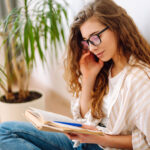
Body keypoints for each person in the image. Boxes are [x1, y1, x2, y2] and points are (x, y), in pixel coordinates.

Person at [0, 0, 150, 149]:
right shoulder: (105, 67)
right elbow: (86, 118)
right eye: (87, 41)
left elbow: (146, 141)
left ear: (117, 27)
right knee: (5, 131)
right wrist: (88, 77)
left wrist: (102, 139)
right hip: (87, 142)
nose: (92, 48)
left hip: (101, 145)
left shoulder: (141, 80)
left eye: (95, 37)